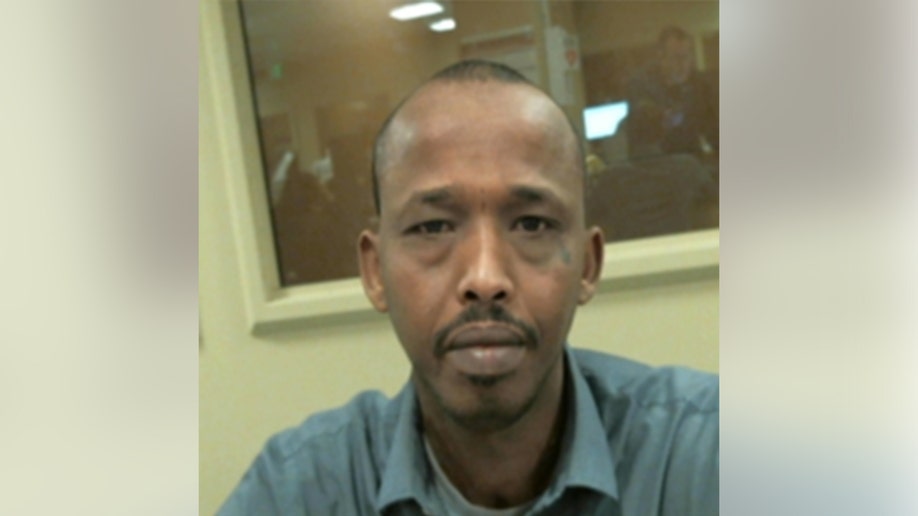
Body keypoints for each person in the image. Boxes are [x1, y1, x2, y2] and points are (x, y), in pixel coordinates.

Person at [218, 60, 718, 515]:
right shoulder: (302, 490)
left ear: (588, 265)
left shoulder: (701, 454)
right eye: (433, 228)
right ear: (374, 273)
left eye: (532, 224)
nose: (485, 279)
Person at [626, 26, 718, 160]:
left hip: (690, 161)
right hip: (653, 163)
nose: (683, 64)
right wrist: (660, 118)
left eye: (687, 57)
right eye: (676, 58)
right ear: (660, 57)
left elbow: (712, 128)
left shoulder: (699, 85)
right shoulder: (641, 84)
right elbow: (642, 118)